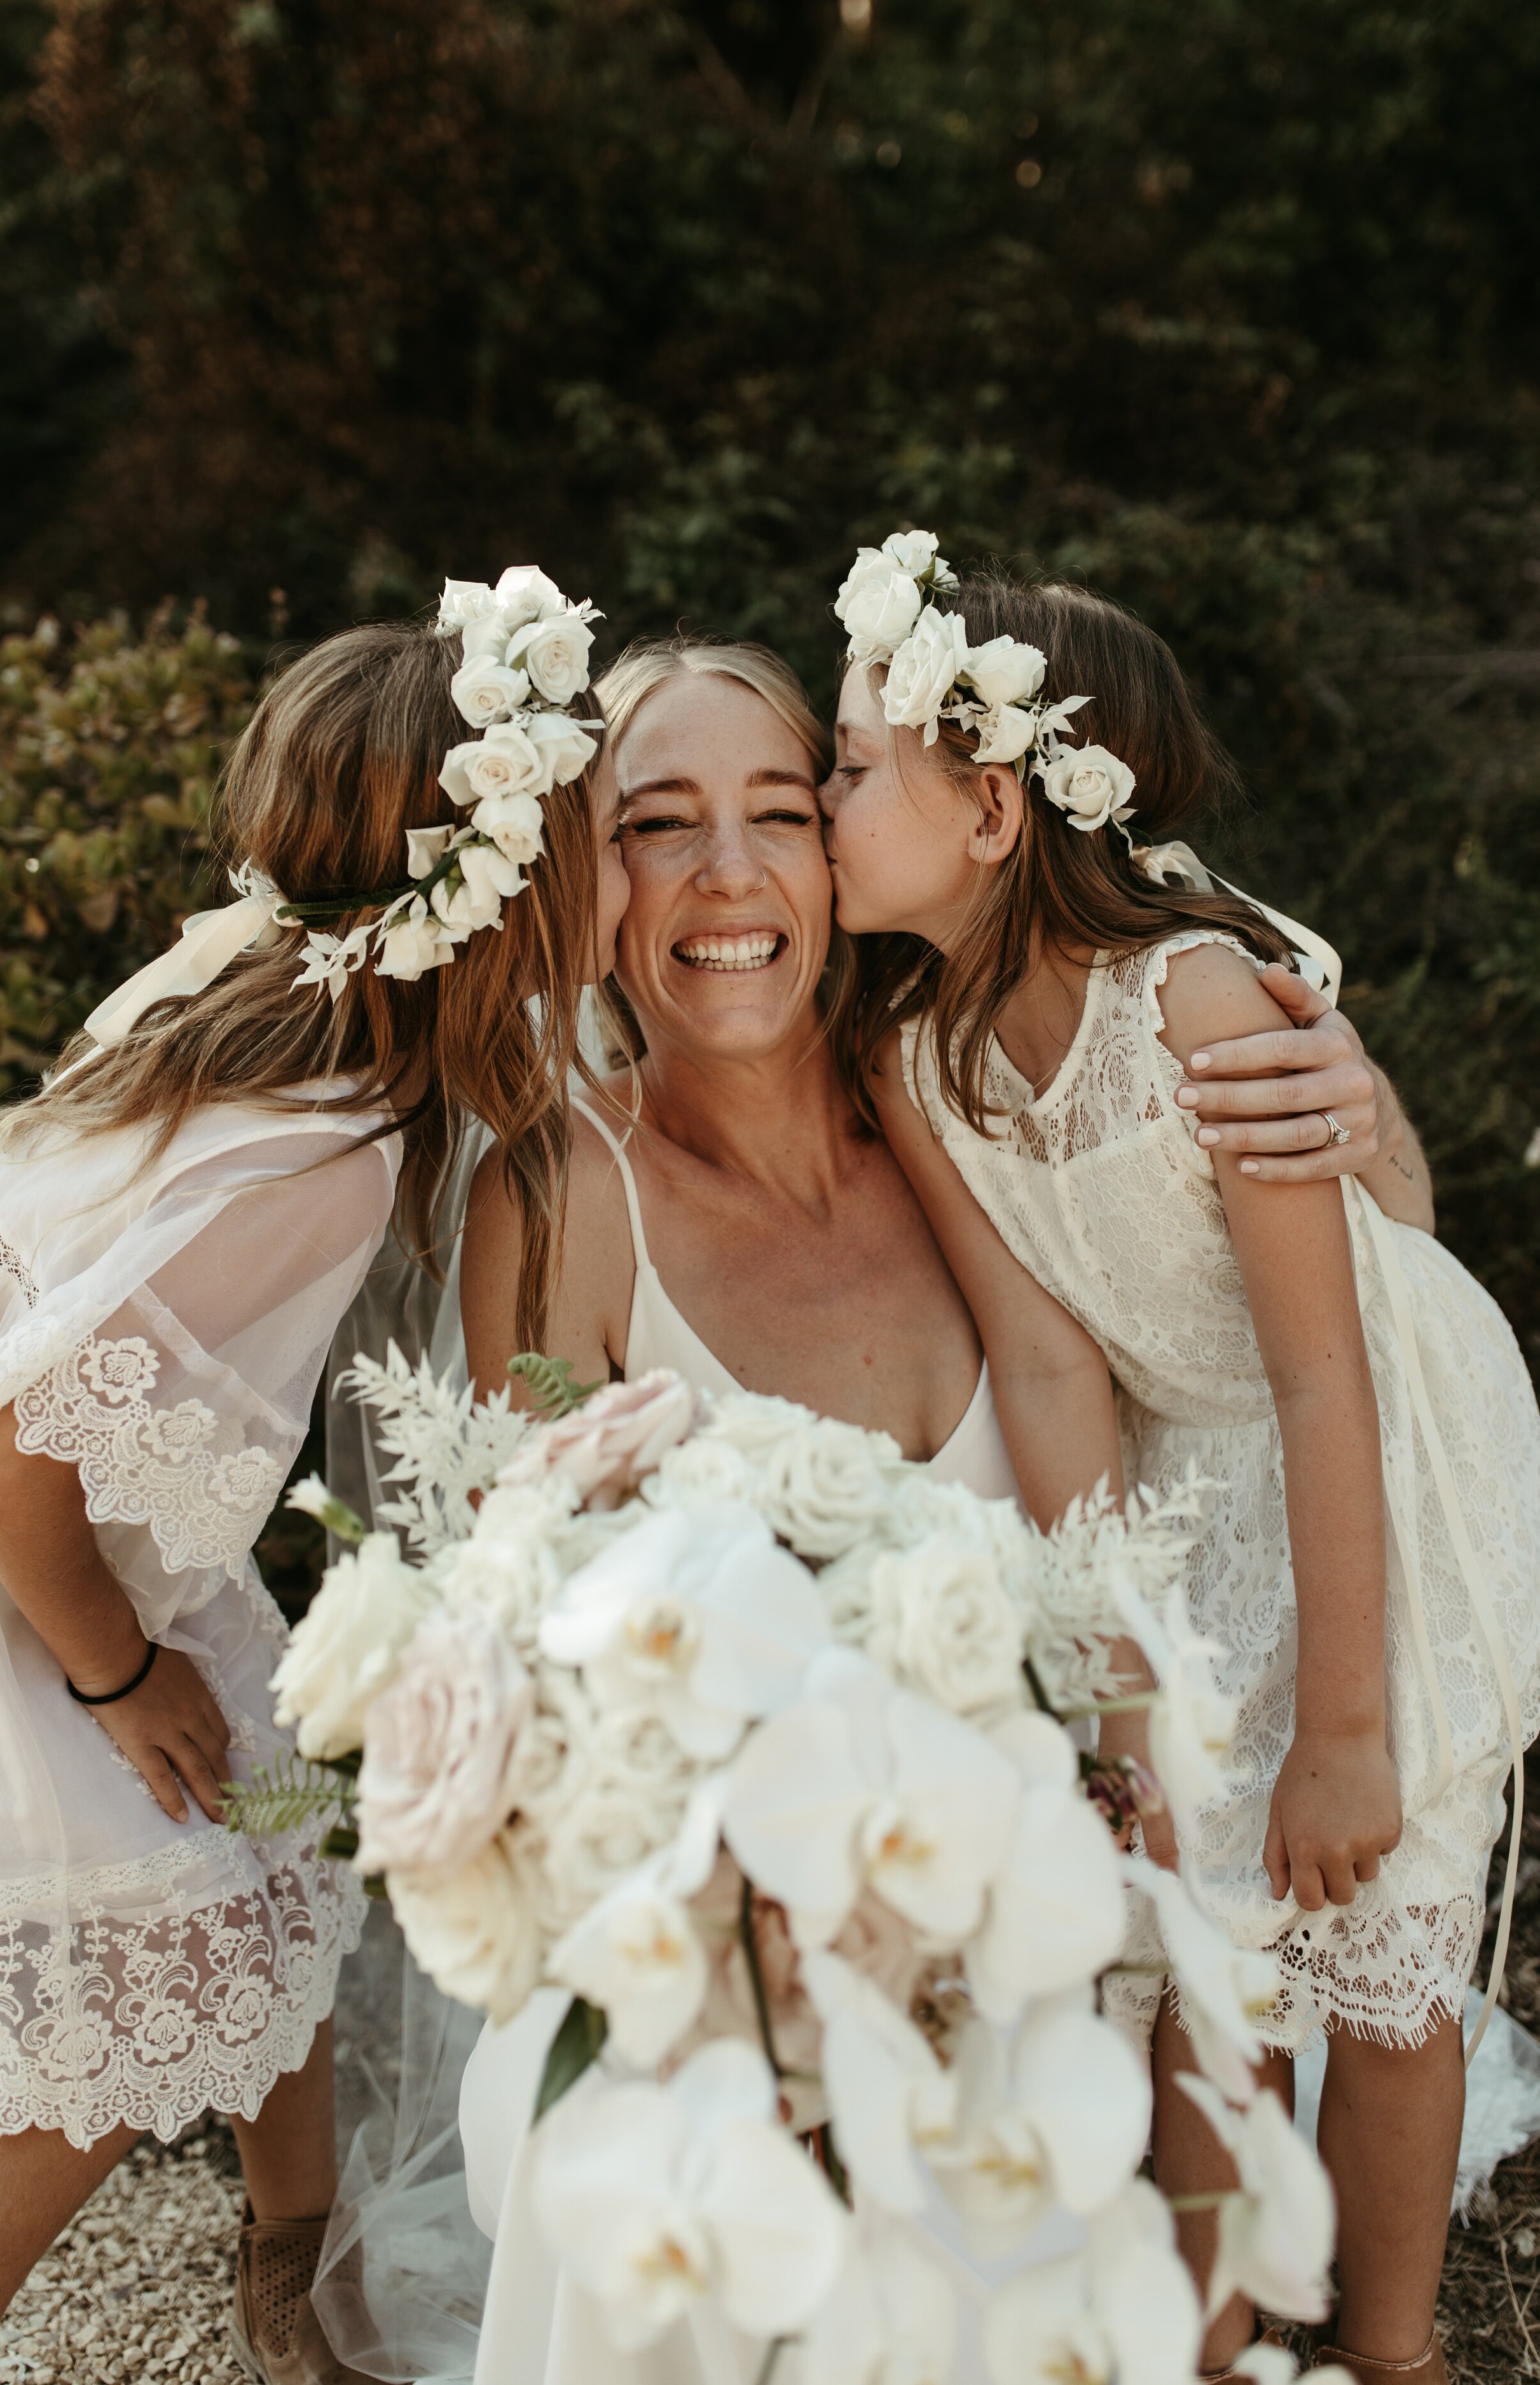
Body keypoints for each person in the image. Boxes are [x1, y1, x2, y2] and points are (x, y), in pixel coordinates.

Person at [447, 632, 1426, 2385]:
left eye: (777, 809)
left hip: (1049, 1933)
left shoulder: (958, 1096)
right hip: (735, 1979)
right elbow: (537, 1675)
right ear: (590, 878)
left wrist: (1364, 1113)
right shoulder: (560, 1188)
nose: (729, 872)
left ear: (847, 851)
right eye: (660, 823)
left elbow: (1325, 1280)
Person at [820, 539, 1540, 2385]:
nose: (820, 808)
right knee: (1199, 1935)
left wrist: (1349, 1723)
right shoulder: (917, 1056)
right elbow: (1053, 1370)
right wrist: (1113, 1683)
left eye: (844, 771)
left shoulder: (1202, 1010)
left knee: (1377, 1942)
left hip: (1385, 1453)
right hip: (1187, 1474)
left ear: (990, 809)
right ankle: (1215, 2349)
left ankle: (1393, 2352)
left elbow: (1324, 1378)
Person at [0, 572, 625, 2385]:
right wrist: (114, 1673)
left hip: (100, 1539)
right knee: (157, 1970)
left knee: (283, 1863)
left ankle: (291, 2241)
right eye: (589, 848)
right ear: (504, 889)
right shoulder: (313, 1152)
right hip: (20, 1569)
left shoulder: (263, 988)